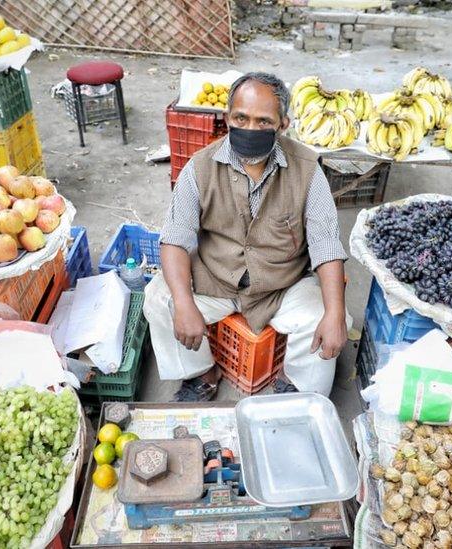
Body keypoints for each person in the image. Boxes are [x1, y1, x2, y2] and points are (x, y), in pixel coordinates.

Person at [143, 71, 351, 402]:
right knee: (159, 298)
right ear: (227, 118)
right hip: (216, 277)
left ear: (283, 124)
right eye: (241, 118)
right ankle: (200, 372)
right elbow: (174, 239)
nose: (250, 129)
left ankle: (298, 387)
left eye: (263, 121)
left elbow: (326, 245)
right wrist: (183, 303)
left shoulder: (308, 170)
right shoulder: (199, 167)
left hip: (282, 284)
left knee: (325, 317)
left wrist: (336, 314)